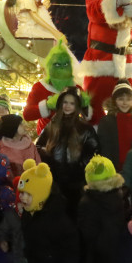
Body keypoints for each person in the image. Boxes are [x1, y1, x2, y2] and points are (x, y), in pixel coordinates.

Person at [35, 85, 99, 217]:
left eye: (72, 103)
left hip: (77, 184)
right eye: (65, 102)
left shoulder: (85, 129)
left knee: (74, 216)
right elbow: (37, 147)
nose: (68, 106)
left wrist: (80, 168)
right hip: (54, 183)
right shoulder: (52, 125)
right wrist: (47, 156)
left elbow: (93, 152)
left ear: (77, 106)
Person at [77, 155, 130, 263]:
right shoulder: (118, 196)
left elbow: (87, 232)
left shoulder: (87, 202)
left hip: (97, 255)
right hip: (116, 249)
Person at [97, 81, 132, 170]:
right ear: (114, 101)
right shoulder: (107, 121)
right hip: (115, 167)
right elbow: (105, 147)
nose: (125, 103)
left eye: (128, 99)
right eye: (121, 99)